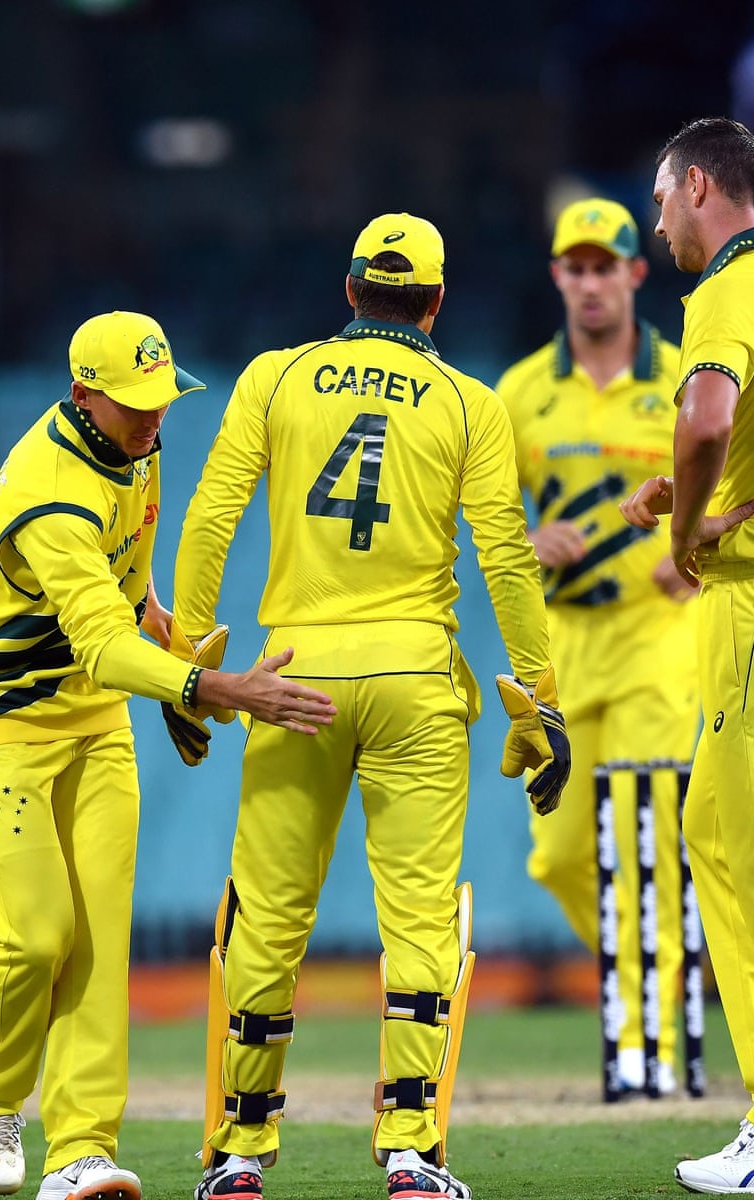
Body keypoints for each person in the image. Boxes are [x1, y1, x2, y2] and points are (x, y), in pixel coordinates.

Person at [173, 214, 571, 1200]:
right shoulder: (471, 403)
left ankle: (238, 1154)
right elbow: (507, 561)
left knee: (265, 922)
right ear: (437, 303)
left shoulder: (274, 376)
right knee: (420, 921)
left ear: (348, 291)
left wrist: (189, 663)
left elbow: (211, 515)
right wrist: (540, 699)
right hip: (414, 682)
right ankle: (409, 1151)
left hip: (291, 677)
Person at [0, 310, 337, 1200]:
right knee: (39, 935)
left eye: (162, 396)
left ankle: (81, 1147)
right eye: (135, 402)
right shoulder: (49, 486)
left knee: (101, 940)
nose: (156, 418)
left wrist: (162, 618)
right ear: (83, 395)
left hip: (94, 722)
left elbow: (126, 579)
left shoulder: (135, 445)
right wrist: (218, 689)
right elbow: (98, 644)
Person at [495, 196, 698, 1095]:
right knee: (563, 855)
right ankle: (658, 985)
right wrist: (526, 546)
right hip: (567, 645)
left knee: (646, 835)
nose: (589, 283)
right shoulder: (521, 392)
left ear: (635, 273)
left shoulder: (688, 376)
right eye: (573, 268)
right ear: (558, 278)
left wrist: (696, 549)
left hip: (661, 636)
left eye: (604, 266)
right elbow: (489, 521)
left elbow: (737, 472)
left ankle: (652, 1043)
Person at [620, 116, 754, 1194]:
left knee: (724, 849)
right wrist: (714, 498)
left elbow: (707, 420)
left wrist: (688, 527)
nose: (658, 221)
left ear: (698, 184)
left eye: (662, 199)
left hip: (747, 612)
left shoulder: (723, 293)